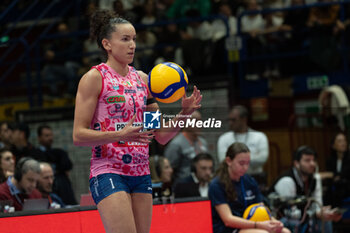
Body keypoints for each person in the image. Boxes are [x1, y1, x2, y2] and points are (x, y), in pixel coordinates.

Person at [72, 10, 201, 233]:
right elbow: (79, 135)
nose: (132, 45)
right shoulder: (94, 78)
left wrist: (185, 114)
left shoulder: (143, 80)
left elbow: (159, 135)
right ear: (107, 44)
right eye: (125, 39)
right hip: (108, 170)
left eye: (134, 39)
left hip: (141, 173)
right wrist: (120, 134)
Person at [209, 142, 291, 233]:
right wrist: (259, 225)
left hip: (252, 224)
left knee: (285, 231)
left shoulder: (249, 181)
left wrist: (274, 222)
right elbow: (228, 220)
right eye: (241, 163)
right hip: (228, 229)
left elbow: (261, 209)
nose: (245, 167)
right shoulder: (216, 185)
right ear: (229, 161)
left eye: (248, 163)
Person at [269, 146, 342, 233]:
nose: (312, 164)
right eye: (307, 160)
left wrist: (324, 213)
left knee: (325, 220)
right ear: (296, 163)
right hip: (282, 219)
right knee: (294, 223)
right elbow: (292, 212)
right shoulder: (287, 181)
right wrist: (316, 214)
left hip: (303, 216)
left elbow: (317, 204)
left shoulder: (315, 179)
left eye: (313, 160)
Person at [217, 105, 269, 177]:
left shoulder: (259, 136)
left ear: (244, 119)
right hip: (232, 178)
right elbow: (223, 161)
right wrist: (250, 158)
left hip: (254, 176)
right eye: (229, 120)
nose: (230, 123)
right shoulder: (224, 138)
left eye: (233, 120)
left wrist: (235, 159)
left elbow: (262, 158)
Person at [36, 124, 77, 205]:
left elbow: (67, 165)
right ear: (39, 137)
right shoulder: (35, 153)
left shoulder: (59, 152)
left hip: (63, 190)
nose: (50, 138)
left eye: (51, 135)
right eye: (46, 135)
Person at [164, 110, 209, 183]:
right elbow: (168, 170)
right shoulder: (176, 144)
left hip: (202, 185)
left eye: (200, 121)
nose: (199, 124)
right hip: (183, 186)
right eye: (195, 121)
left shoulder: (203, 142)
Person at [325, 132, 350, 207]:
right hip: (336, 187)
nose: (343, 143)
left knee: (337, 192)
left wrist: (335, 176)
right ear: (333, 145)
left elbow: (345, 173)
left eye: (344, 140)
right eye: (339, 141)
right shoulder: (330, 160)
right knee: (327, 194)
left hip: (347, 186)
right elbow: (330, 178)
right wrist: (336, 176)